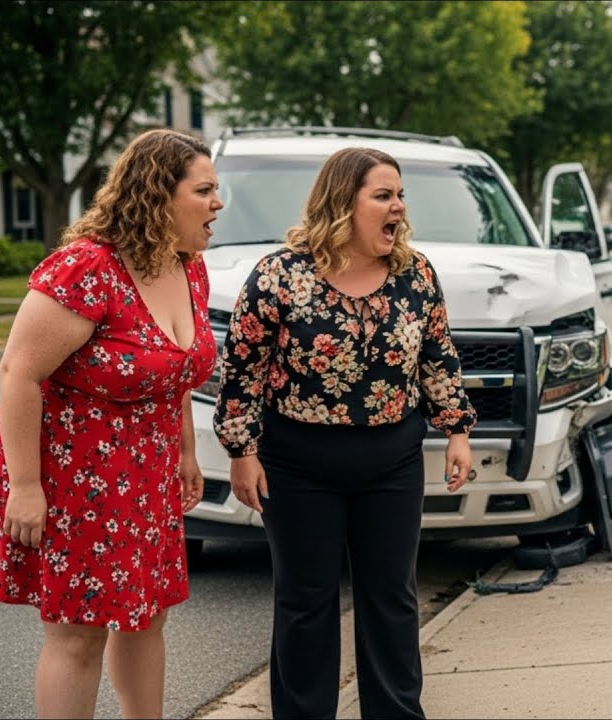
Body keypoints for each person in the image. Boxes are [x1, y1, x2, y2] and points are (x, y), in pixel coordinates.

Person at [0, 128, 221, 718]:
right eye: (204, 190)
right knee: (79, 629)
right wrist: (26, 488)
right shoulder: (87, 268)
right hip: (68, 469)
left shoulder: (189, 268)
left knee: (146, 614)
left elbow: (172, 371)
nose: (217, 203)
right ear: (159, 195)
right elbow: (17, 373)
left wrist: (185, 453)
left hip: (144, 468)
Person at [212, 146, 476, 719]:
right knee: (305, 604)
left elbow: (438, 357)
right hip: (298, 466)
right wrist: (241, 451)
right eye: (383, 196)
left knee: (392, 600)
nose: (399, 208)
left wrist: (457, 430)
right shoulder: (280, 276)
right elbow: (242, 368)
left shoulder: (416, 274)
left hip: (393, 462)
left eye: (400, 195)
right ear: (342, 202)